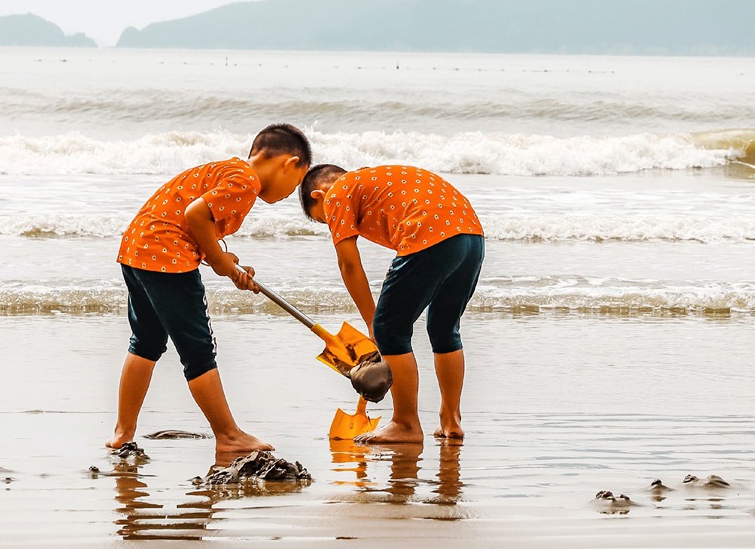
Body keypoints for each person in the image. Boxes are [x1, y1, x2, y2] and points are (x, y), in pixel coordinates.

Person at [106, 123, 312, 465]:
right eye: (296, 183)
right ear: (288, 163)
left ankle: (122, 432)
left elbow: (192, 221)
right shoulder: (247, 181)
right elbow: (195, 214)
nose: (291, 193)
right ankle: (229, 435)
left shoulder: (226, 169)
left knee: (146, 341)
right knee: (199, 349)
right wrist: (221, 265)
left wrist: (222, 259)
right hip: (166, 257)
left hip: (138, 249)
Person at [298, 163, 484, 445]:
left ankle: (405, 423)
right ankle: (451, 418)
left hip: (429, 233)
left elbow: (348, 264)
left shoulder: (336, 193)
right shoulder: (373, 180)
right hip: (471, 236)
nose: (333, 225)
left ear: (318, 196)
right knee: (444, 328)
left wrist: (374, 323)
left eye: (324, 221)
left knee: (390, 330)